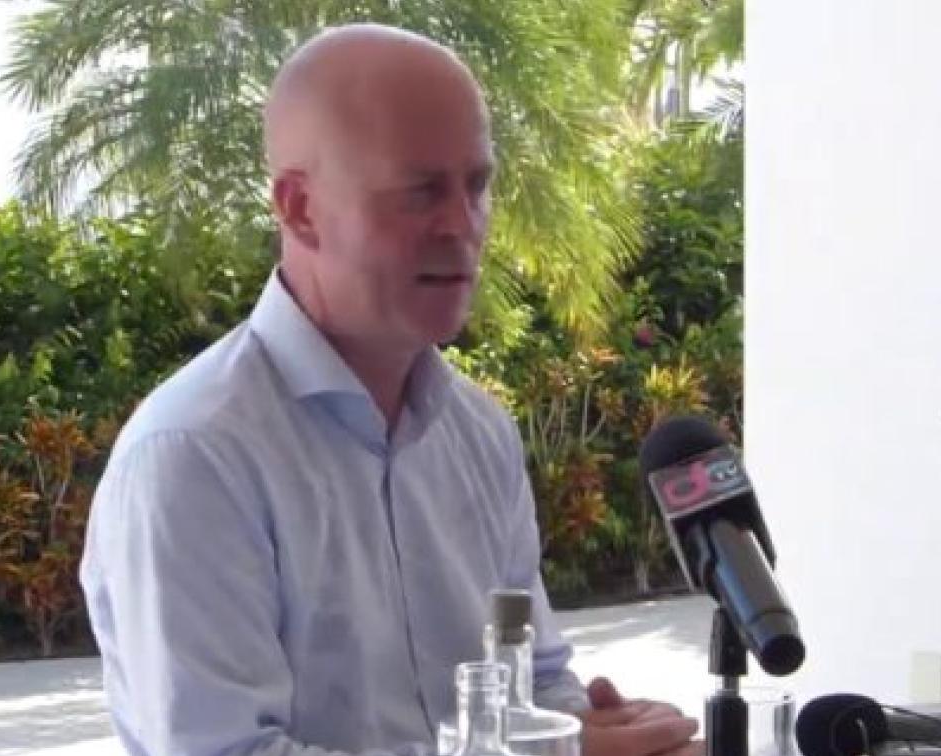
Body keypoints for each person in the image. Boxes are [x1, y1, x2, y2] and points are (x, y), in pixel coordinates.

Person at [80, 23, 704, 756]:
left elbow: (533, 687)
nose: (463, 225)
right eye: (420, 191)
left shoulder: (479, 432)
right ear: (300, 208)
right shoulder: (194, 456)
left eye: (477, 186)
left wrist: (603, 732)